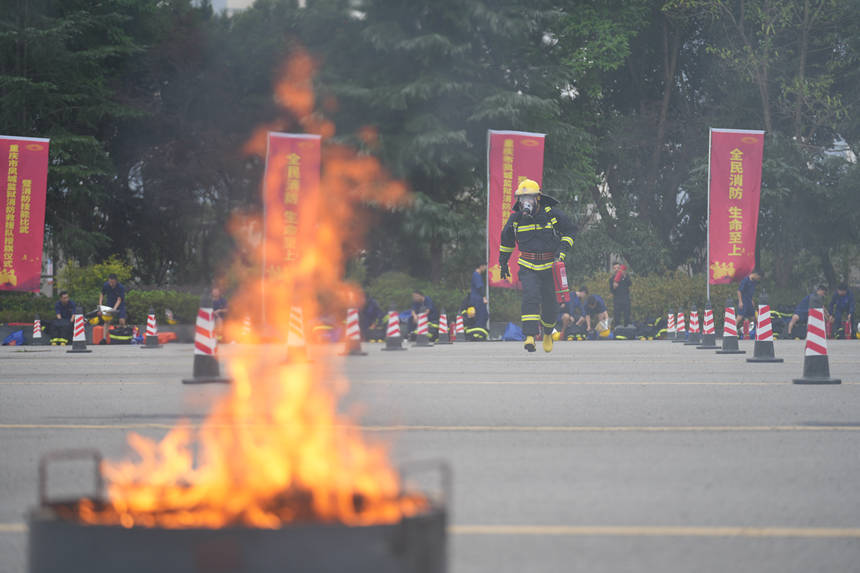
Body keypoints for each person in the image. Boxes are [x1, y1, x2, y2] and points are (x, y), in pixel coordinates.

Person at [499, 178, 576, 353]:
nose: (525, 202)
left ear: (538, 198)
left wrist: (562, 251)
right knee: (530, 297)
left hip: (550, 266)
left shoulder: (552, 215)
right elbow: (506, 241)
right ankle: (530, 336)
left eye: (529, 198)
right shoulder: (516, 219)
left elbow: (571, 231)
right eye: (521, 198)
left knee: (550, 303)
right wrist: (503, 263)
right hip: (528, 265)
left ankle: (548, 332)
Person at [736, 269, 763, 339]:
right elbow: (739, 291)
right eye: (758, 277)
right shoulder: (745, 280)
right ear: (756, 274)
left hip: (749, 301)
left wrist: (752, 300)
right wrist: (740, 301)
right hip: (743, 301)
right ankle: (731, 331)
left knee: (753, 317)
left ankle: (749, 331)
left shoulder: (753, 282)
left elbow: (750, 292)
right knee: (740, 317)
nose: (758, 279)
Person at [609, 262, 632, 327]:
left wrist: (624, 276)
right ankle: (617, 330)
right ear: (613, 269)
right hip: (617, 300)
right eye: (615, 268)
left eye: (618, 268)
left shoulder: (625, 276)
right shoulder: (611, 279)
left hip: (626, 298)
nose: (616, 269)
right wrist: (614, 287)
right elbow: (611, 291)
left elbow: (630, 284)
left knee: (627, 316)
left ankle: (627, 330)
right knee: (617, 317)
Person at [469, 263, 489, 331]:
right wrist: (484, 297)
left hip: (476, 299)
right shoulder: (476, 275)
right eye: (485, 267)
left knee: (482, 316)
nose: (486, 268)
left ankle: (479, 332)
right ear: (481, 266)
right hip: (477, 300)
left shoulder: (476, 275)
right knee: (481, 316)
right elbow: (479, 287)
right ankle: (478, 333)